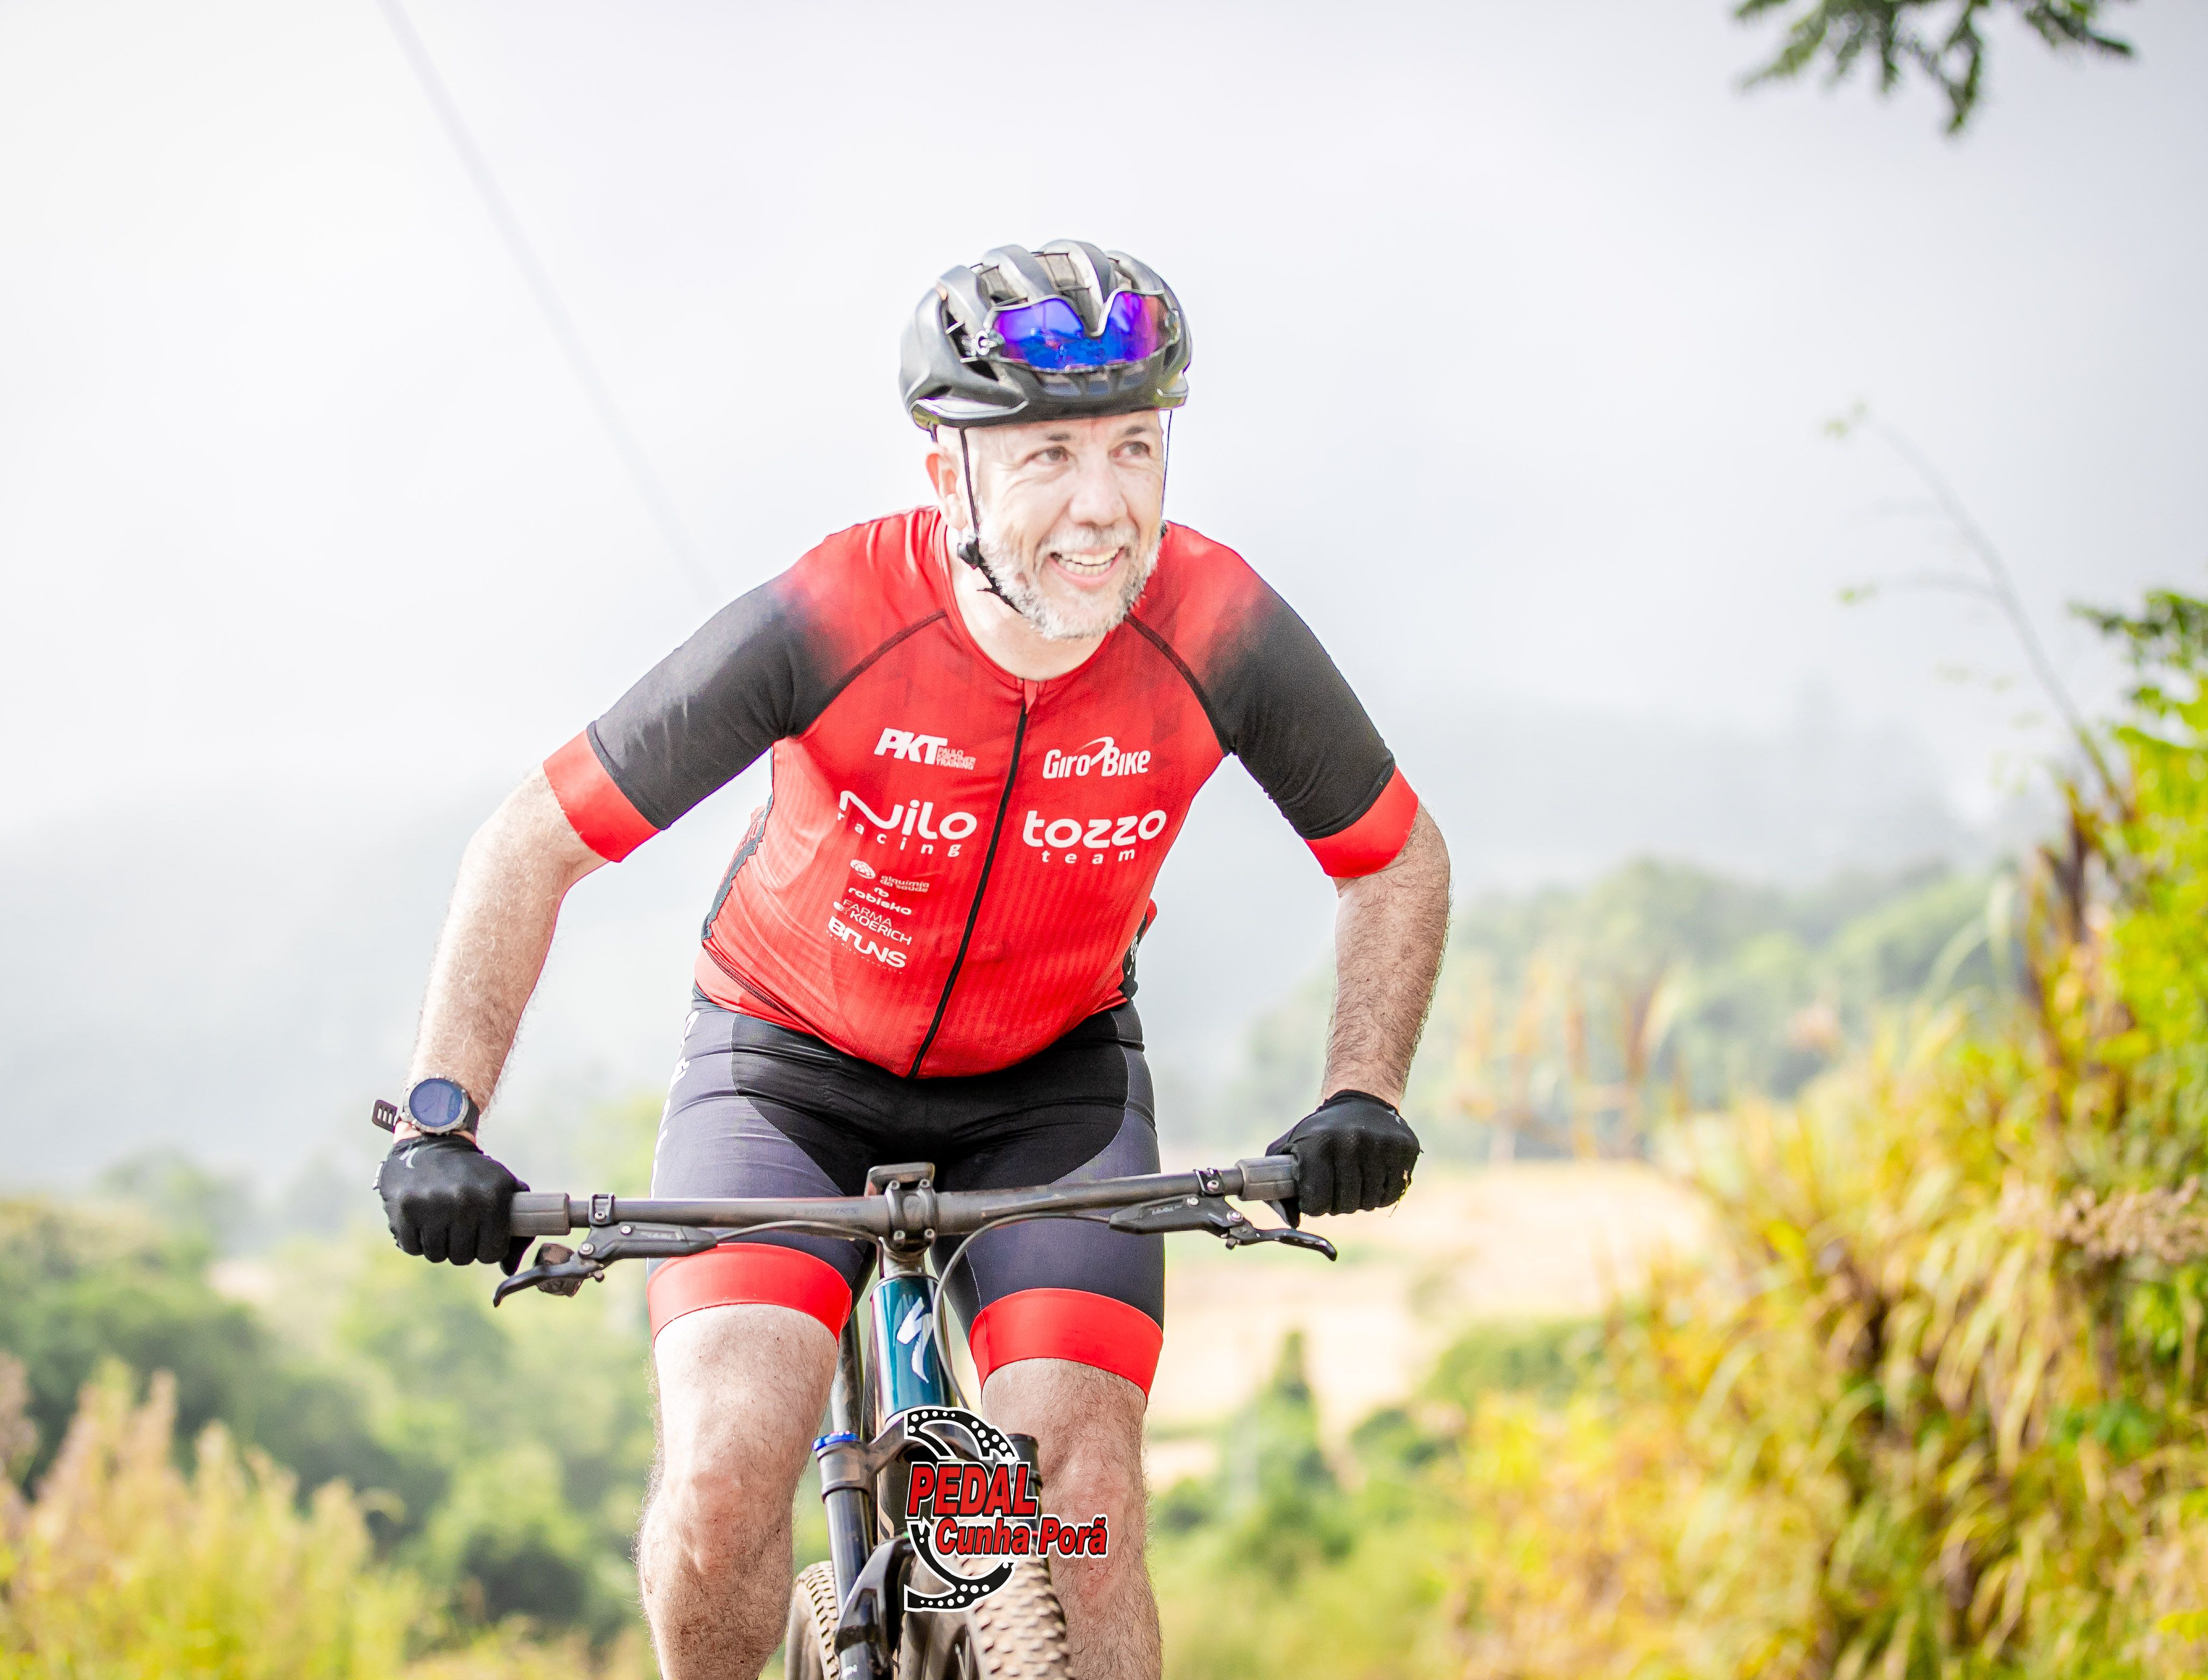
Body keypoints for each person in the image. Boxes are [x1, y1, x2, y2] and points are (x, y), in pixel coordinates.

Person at [376, 240, 1451, 1680]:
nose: (1104, 503)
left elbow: (1395, 855)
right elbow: (532, 842)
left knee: (1079, 1500)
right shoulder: (835, 613)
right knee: (724, 1473)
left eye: (1137, 447)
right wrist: (441, 1119)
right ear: (946, 474)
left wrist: (1361, 1092)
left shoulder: (1220, 627)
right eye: (1049, 455)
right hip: (785, 1076)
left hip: (1050, 1087)